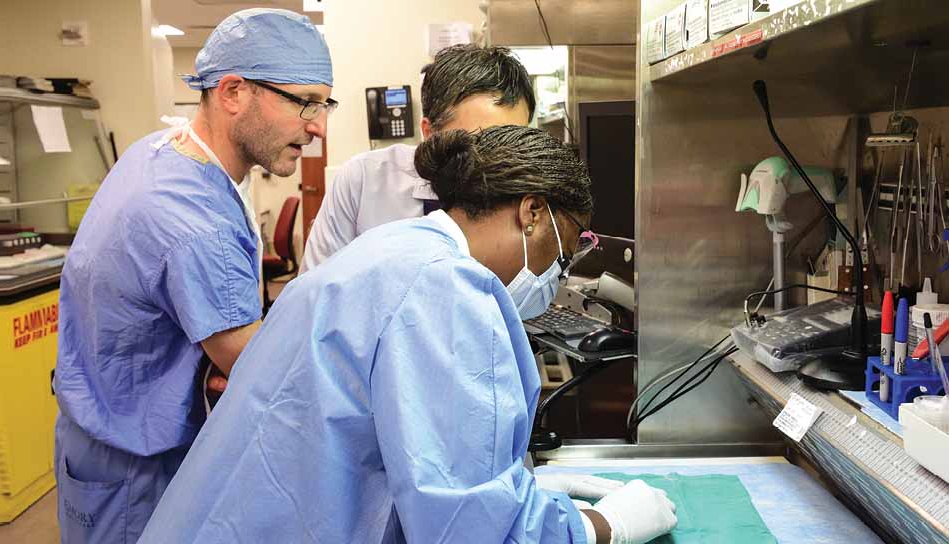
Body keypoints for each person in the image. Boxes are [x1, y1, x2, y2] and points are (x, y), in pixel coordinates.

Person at [139, 126, 677, 544]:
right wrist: (603, 526)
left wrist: (512, 488)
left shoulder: (396, 247)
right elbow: (468, 529)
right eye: (567, 249)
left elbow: (410, 454)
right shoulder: (445, 289)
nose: (559, 271)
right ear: (531, 212)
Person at [52, 9, 334, 542]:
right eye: (304, 102)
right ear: (233, 92)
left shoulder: (160, 153)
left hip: (100, 434)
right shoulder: (195, 221)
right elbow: (260, 371)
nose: (318, 126)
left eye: (324, 104)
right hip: (138, 467)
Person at [300, 44, 536, 272]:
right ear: (429, 133)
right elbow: (314, 288)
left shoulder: (531, 199)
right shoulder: (362, 181)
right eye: (481, 144)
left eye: (515, 142)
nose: (499, 162)